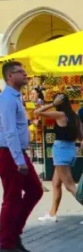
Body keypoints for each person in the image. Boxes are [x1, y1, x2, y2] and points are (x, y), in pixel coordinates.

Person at [0, 61, 42, 252]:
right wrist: (19, 160)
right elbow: (9, 130)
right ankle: (7, 243)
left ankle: (13, 234)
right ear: (10, 76)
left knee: (34, 190)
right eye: (20, 72)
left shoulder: (15, 97)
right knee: (12, 198)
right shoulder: (6, 99)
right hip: (8, 153)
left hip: (15, 153)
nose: (25, 74)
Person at [34, 93, 82, 223]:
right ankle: (52, 213)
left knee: (70, 185)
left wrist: (52, 104)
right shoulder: (75, 117)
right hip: (71, 150)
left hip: (61, 151)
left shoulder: (60, 115)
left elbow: (37, 112)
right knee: (56, 183)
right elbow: (81, 136)